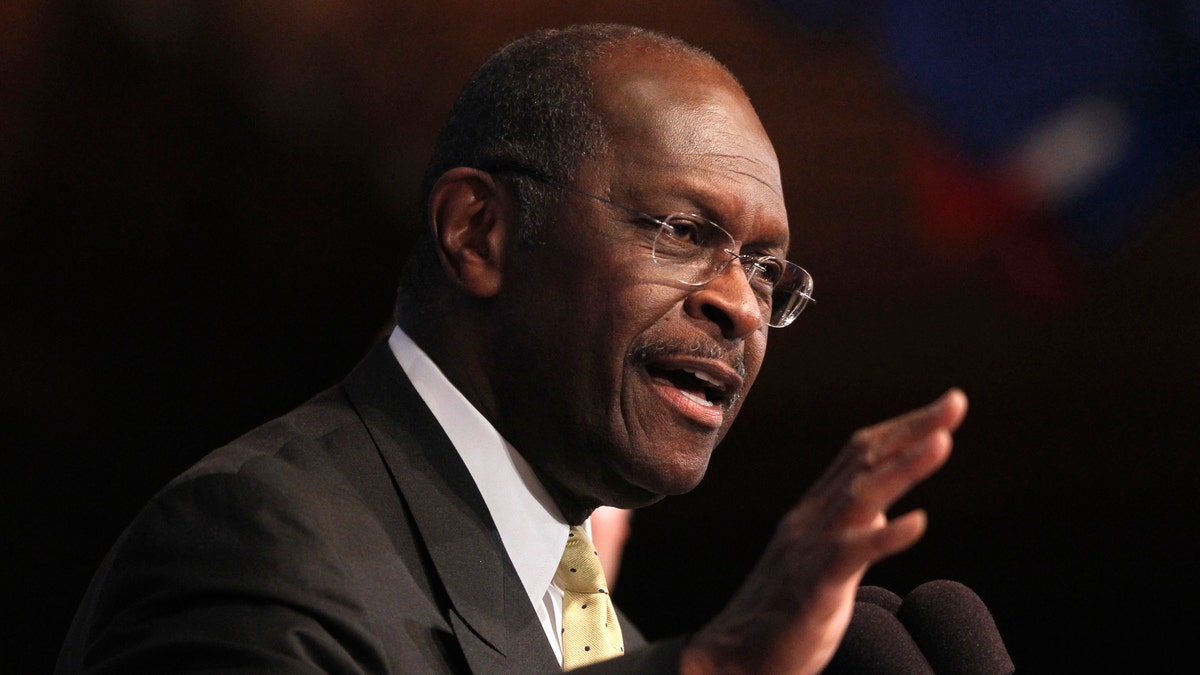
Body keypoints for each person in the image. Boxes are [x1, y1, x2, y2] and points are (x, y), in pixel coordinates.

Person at [57, 24, 967, 674]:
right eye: (686, 231)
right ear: (479, 231)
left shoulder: (602, 630)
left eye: (767, 270)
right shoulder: (257, 545)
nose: (739, 302)